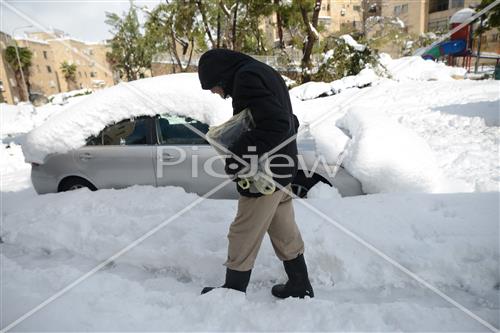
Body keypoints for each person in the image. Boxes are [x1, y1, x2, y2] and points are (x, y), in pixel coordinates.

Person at [197, 49, 314, 299]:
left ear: (221, 75)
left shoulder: (246, 79)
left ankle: (232, 290)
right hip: (282, 169)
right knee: (283, 227)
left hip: (265, 175)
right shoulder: (263, 71)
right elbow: (288, 120)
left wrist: (239, 154)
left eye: (213, 87)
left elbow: (278, 124)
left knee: (243, 229)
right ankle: (299, 284)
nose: (215, 93)